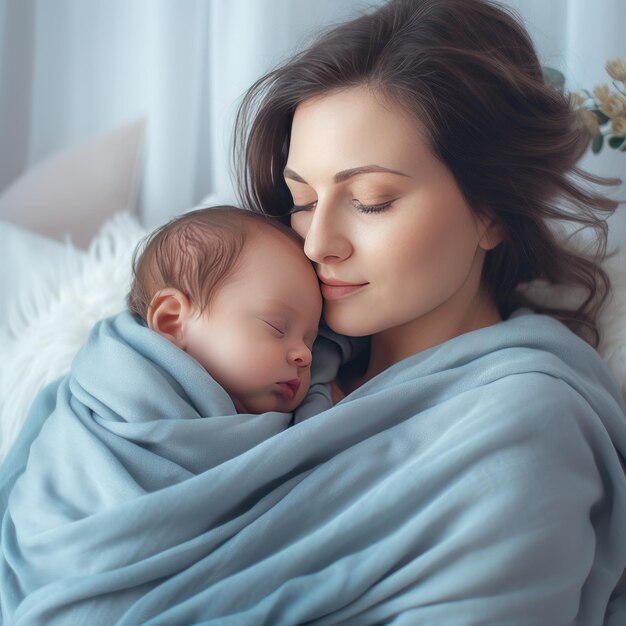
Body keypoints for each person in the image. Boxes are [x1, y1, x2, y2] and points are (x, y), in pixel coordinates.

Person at [2, 1, 625, 624]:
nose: (317, 241)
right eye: (302, 199)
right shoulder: (247, 356)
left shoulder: (520, 429)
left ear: (489, 209)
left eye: (371, 201)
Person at [127, 205, 323, 414]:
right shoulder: (132, 397)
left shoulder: (302, 422)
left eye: (309, 342)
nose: (306, 356)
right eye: (276, 327)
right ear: (172, 321)